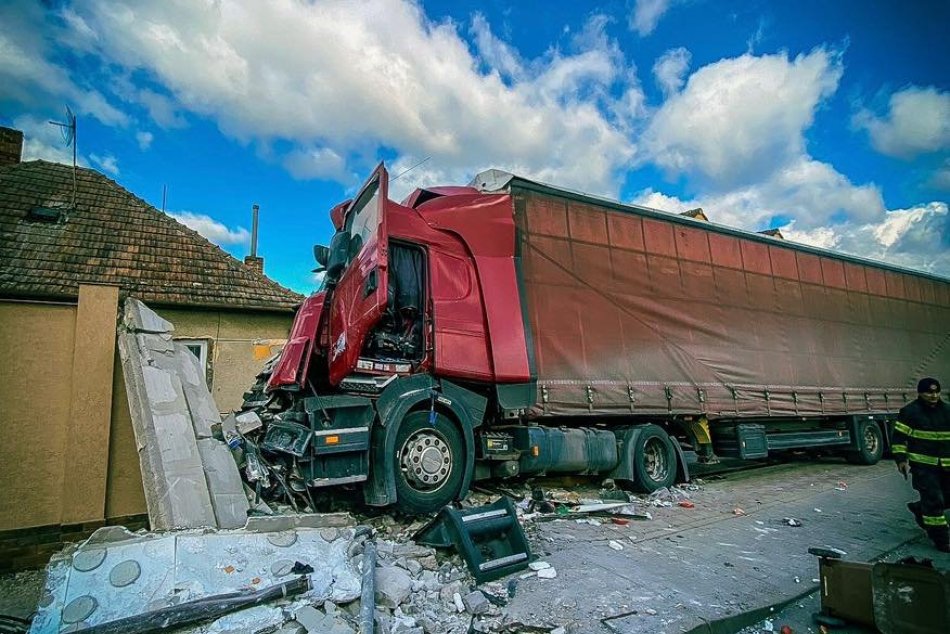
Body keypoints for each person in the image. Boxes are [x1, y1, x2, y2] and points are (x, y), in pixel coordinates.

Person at [893, 377, 950, 552]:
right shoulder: (910, 412)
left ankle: (920, 508)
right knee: (934, 502)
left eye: (936, 392)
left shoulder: (947, 411)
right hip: (924, 469)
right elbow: (899, 438)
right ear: (920, 393)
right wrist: (901, 460)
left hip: (946, 467)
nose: (934, 396)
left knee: (945, 498)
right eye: (929, 392)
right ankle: (942, 540)